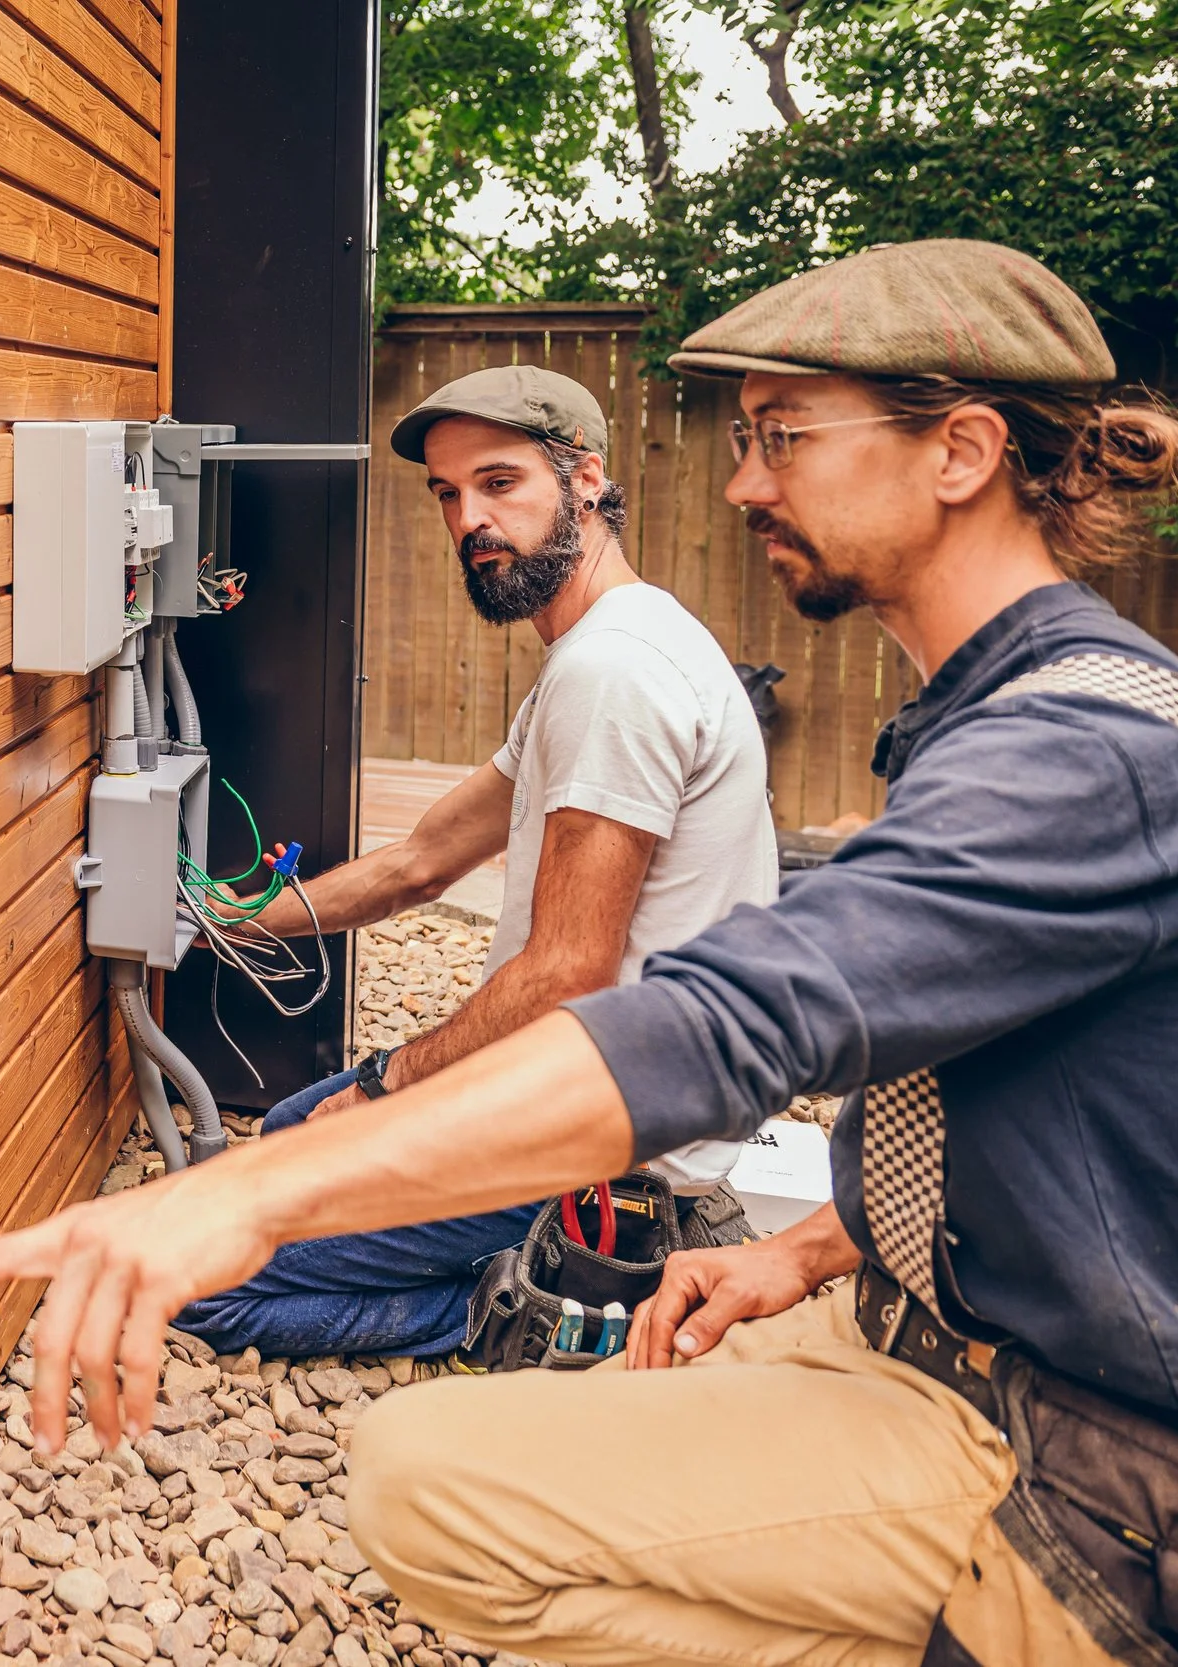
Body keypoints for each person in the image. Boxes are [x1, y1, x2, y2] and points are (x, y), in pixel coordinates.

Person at [0, 240, 1178, 1666]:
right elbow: (423, 861)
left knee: (334, 1367)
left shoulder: (1079, 749)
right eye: (741, 441)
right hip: (925, 1325)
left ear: (962, 449)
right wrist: (819, 1242)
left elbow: (694, 1004)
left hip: (1093, 1478)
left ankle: (530, 1285)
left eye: (783, 437)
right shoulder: (983, 708)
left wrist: (321, 1138)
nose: (744, 482)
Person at [175, 364, 776, 1359]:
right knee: (284, 1133)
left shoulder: (613, 672)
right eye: (448, 495)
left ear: (584, 480)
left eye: (499, 483)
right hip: (586, 1091)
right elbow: (419, 860)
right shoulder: (604, 647)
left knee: (206, 1282)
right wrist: (225, 922)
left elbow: (565, 969)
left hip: (611, 1146)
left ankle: (567, 1301)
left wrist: (384, 1085)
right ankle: (514, 1261)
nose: (469, 519)